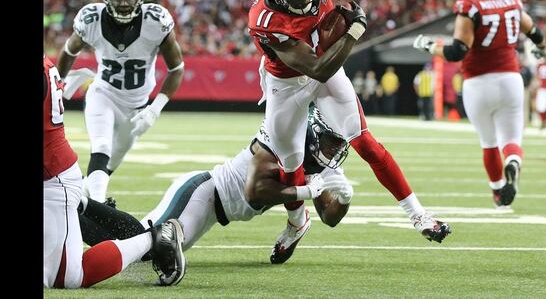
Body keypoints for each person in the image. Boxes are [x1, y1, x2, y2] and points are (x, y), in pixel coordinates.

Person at [247, 0, 449, 262]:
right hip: (289, 82)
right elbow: (317, 70)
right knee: (290, 165)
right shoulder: (265, 20)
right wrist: (354, 32)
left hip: (327, 62)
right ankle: (297, 224)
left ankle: (419, 215)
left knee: (365, 142)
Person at [79, 105, 451, 267]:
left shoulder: (325, 157)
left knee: (145, 250)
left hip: (220, 214)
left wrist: (343, 199)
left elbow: (331, 217)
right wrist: (308, 191)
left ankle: (79, 207)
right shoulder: (282, 135)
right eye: (330, 141)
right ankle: (78, 203)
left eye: (341, 144)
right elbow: (255, 192)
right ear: (312, 129)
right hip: (206, 192)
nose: (334, 150)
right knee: (149, 244)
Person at [413, 0, 546, 207]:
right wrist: (541, 47)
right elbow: (533, 30)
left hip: (478, 83)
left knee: (489, 143)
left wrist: (429, 45)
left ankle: (498, 192)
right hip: (510, 80)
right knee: (512, 141)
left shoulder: (470, 6)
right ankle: (514, 162)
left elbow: (456, 51)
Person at [43, 56, 186, 288]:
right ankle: (83, 205)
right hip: (53, 173)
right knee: (75, 214)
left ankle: (156, 238)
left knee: (67, 277)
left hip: (52, 177)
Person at [56, 0, 185, 204]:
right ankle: (97, 204)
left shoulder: (156, 21)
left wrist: (155, 109)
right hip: (103, 92)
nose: (124, 3)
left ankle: (84, 194)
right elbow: (68, 51)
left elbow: (176, 69)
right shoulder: (91, 19)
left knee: (113, 160)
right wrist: (58, 83)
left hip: (137, 105)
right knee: (101, 146)